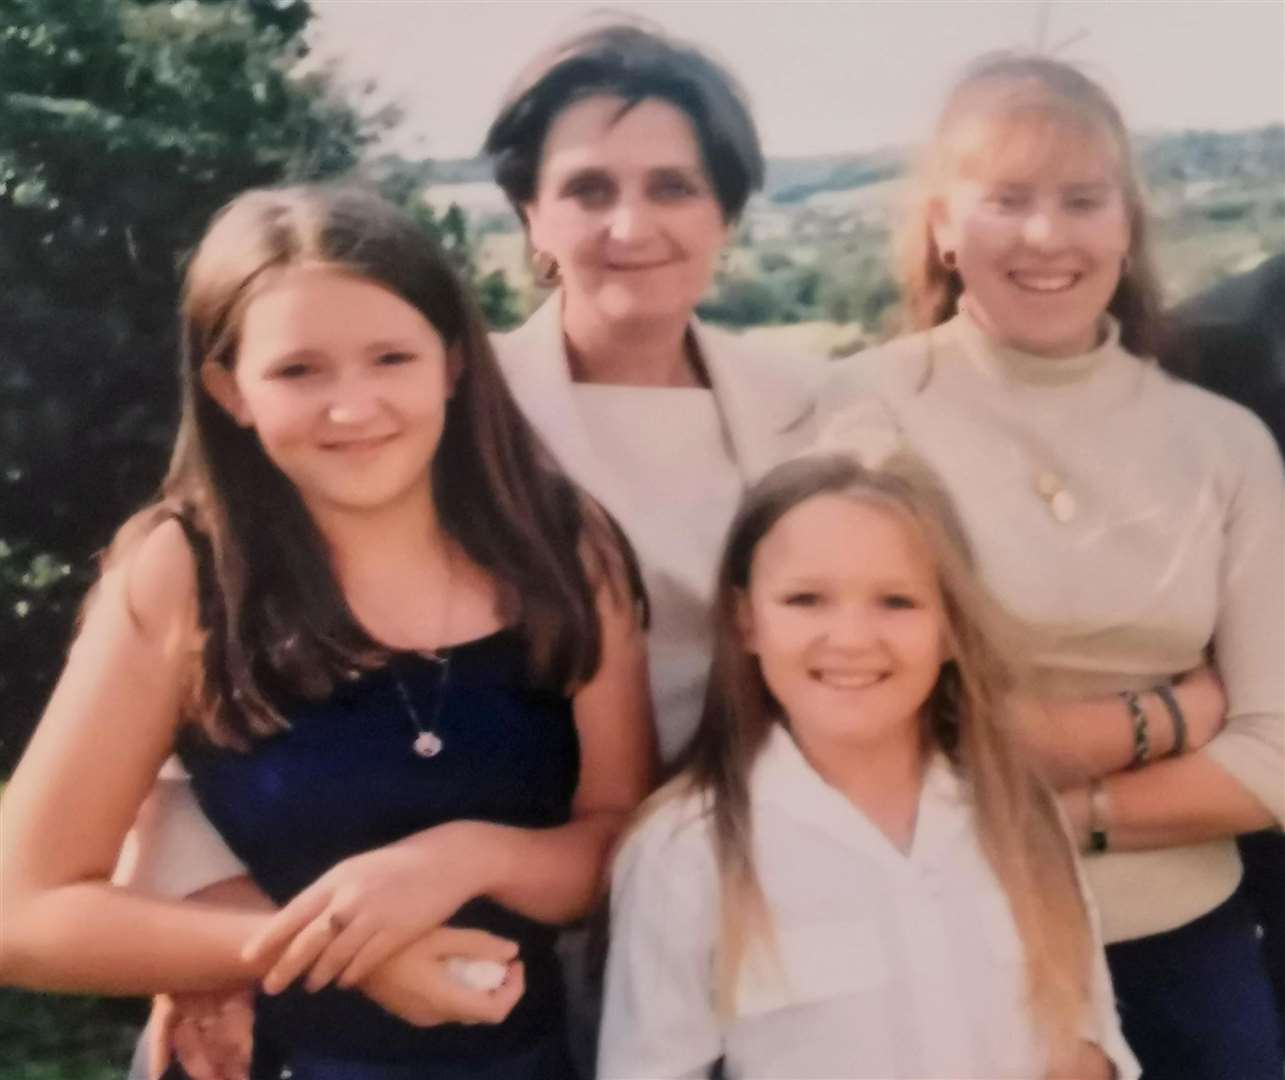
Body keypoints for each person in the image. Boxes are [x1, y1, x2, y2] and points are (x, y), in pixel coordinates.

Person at [119, 22, 824, 1077]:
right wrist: (208, 937)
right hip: (400, 944)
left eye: (674, 186)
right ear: (531, 214)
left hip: (725, 901)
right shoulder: (413, 407)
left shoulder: (811, 412)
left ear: (725, 208)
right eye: (587, 189)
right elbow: (228, 699)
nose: (631, 224)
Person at [0, 184, 653, 1079]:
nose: (353, 408)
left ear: (453, 363)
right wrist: (330, 951)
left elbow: (623, 843)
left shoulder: (564, 549)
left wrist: (463, 858)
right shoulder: (184, 572)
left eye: (390, 358)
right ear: (230, 390)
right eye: (299, 371)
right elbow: (22, 913)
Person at [820, 54, 1285, 1079]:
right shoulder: (854, 422)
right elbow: (841, 732)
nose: (1046, 236)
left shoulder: (1223, 443)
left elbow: (1273, 756)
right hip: (937, 941)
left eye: (1082, 200)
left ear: (1125, 225)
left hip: (1187, 965)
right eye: (1006, 200)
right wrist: (1160, 719)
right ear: (943, 225)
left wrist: (1055, 814)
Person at [599, 452, 1139, 1080]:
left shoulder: (1019, 814)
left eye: (897, 602)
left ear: (950, 625)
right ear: (747, 620)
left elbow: (1081, 1048)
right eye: (806, 599)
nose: (851, 638)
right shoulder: (685, 851)